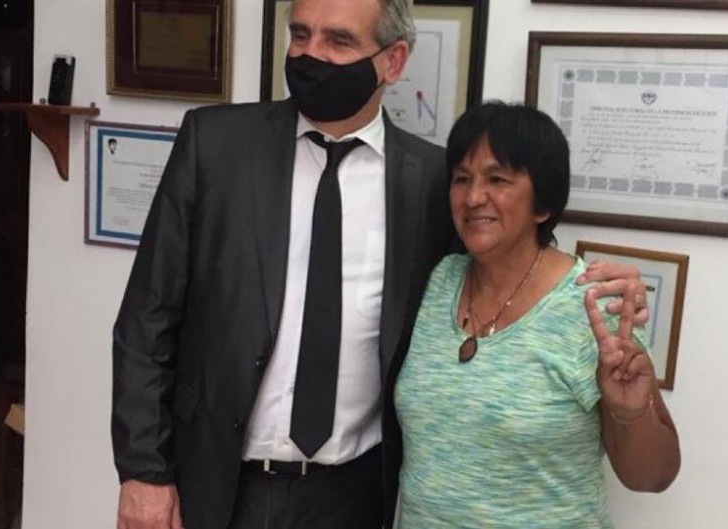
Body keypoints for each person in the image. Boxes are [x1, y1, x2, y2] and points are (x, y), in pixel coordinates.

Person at [111, 1, 646, 528]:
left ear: (393, 61)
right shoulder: (216, 146)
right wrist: (142, 471)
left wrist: (596, 286)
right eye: (301, 34)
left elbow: (507, 256)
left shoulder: (433, 180)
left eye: (338, 40)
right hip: (218, 483)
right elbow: (147, 319)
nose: (311, 54)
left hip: (357, 494)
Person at [395, 102, 681, 529]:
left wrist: (631, 408)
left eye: (497, 179)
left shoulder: (592, 305)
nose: (473, 197)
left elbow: (653, 476)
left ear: (543, 203)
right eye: (462, 178)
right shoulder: (438, 281)